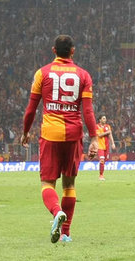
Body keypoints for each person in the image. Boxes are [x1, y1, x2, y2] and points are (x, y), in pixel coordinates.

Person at [21, 35, 98, 243]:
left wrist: (25, 132)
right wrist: (94, 138)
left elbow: (31, 109)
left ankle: (57, 212)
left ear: (53, 50)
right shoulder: (84, 75)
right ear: (73, 51)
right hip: (73, 134)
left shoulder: (42, 73)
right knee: (69, 184)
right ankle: (66, 233)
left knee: (47, 183)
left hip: (50, 134)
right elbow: (88, 111)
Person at [96, 115, 115, 181]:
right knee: (102, 160)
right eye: (103, 118)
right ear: (100, 120)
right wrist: (107, 132)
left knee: (104, 161)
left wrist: (113, 143)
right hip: (100, 146)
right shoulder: (97, 126)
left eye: (105, 118)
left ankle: (101, 173)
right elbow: (99, 135)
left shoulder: (108, 126)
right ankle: (101, 175)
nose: (105, 119)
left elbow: (110, 135)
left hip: (106, 146)